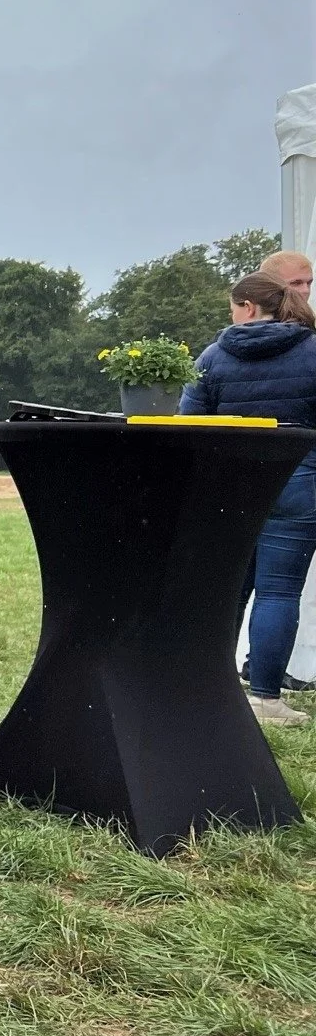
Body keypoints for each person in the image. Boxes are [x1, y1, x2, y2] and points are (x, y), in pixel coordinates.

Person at [181, 270, 316, 726]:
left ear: (246, 306)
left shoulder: (213, 357)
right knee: (279, 591)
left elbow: (189, 423)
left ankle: (206, 685)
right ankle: (266, 700)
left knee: (226, 590)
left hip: (228, 486)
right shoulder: (314, 350)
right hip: (297, 483)